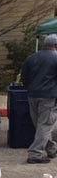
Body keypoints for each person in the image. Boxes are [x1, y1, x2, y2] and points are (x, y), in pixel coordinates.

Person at [21, 34, 57, 163]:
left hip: (32, 95)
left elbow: (24, 77)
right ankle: (35, 154)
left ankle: (52, 149)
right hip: (49, 96)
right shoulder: (55, 57)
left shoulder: (32, 57)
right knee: (45, 125)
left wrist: (31, 87)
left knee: (40, 124)